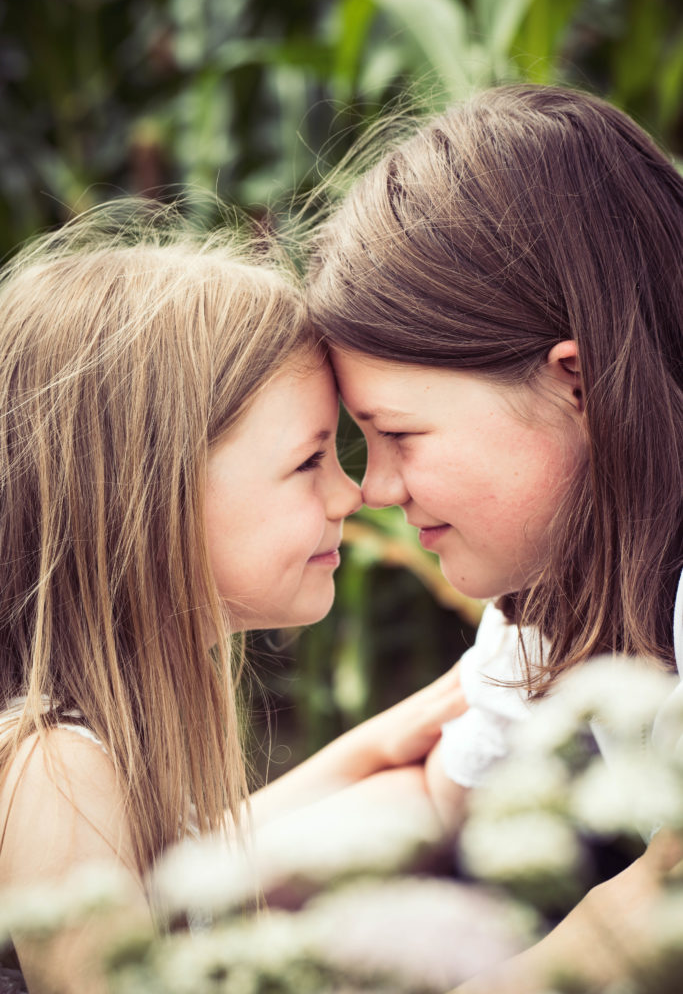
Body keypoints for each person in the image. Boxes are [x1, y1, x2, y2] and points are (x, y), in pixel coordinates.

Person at [0, 204, 466, 994]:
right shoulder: (54, 770)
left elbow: (213, 860)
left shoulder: (106, 751)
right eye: (309, 461)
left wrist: (419, 725)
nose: (350, 494)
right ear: (150, 502)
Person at [305, 83, 683, 990]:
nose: (374, 489)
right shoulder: (551, 594)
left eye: (398, 435)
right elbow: (436, 801)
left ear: (575, 386)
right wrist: (148, 895)